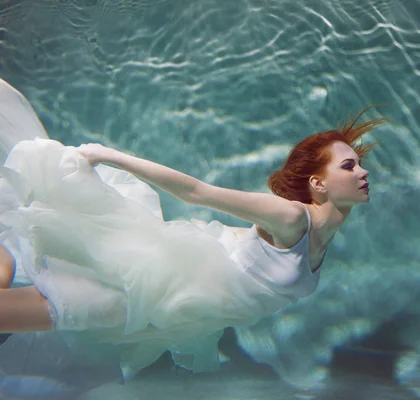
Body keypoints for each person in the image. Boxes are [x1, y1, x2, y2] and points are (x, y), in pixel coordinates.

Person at [0, 78, 387, 377]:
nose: (363, 172)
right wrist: (108, 155)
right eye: (349, 165)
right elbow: (197, 192)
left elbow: (242, 257)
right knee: (71, 309)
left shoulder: (319, 237)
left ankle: (5, 262)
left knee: (65, 311)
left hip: (177, 305)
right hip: (162, 278)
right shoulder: (290, 217)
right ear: (318, 185)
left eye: (358, 164)